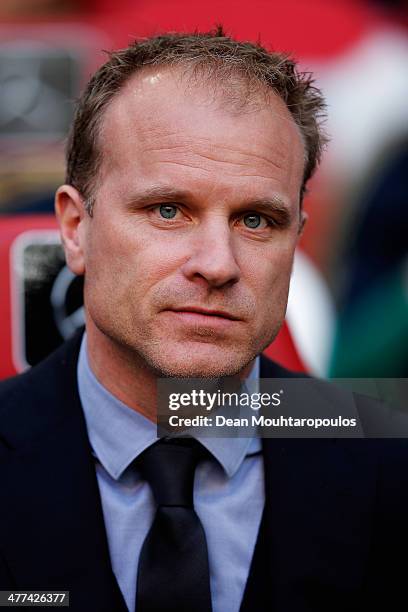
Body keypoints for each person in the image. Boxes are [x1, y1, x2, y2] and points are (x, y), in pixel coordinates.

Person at [1, 27, 408, 612]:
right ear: (75, 228)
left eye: (257, 221)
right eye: (168, 210)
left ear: (297, 236)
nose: (217, 265)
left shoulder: (388, 457)